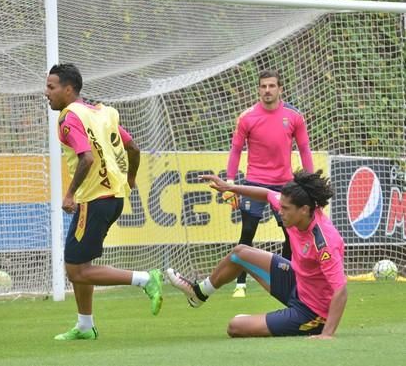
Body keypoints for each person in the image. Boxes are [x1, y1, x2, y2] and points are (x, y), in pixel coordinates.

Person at [45, 63, 163, 341]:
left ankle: (146, 280)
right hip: (114, 197)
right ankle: (85, 326)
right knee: (80, 265)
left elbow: (86, 157)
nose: (46, 93)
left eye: (51, 87)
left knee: (76, 269)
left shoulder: (68, 118)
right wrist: (131, 177)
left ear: (68, 89)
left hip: (94, 199)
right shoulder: (100, 113)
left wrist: (69, 194)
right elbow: (133, 147)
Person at [167, 170, 347, 339]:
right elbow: (267, 194)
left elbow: (341, 290)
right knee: (240, 253)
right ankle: (199, 293)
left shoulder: (324, 242)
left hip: (312, 312)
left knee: (235, 326)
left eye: (285, 209)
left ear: (304, 210)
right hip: (297, 283)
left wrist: (327, 334)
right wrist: (230, 187)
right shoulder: (295, 210)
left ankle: (268, 321)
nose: (280, 212)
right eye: (280, 207)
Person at [224, 70, 314, 298]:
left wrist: (310, 182)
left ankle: (288, 278)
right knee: (248, 231)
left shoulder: (294, 116)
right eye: (263, 86)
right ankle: (241, 283)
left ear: (280, 89)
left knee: (290, 233)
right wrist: (230, 181)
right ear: (258, 89)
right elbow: (236, 150)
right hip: (254, 182)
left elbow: (304, 149)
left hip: (284, 185)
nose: (267, 90)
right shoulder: (247, 117)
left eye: (271, 86)